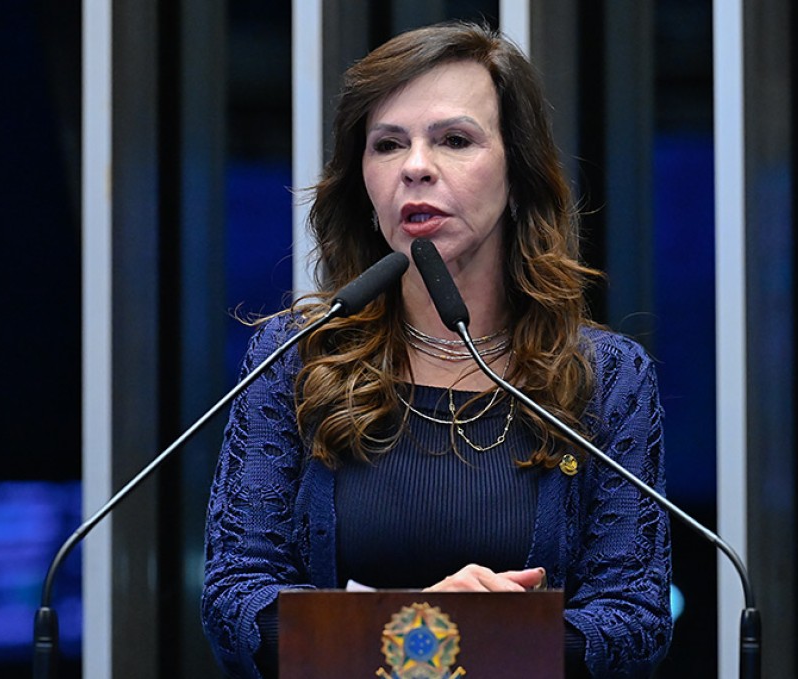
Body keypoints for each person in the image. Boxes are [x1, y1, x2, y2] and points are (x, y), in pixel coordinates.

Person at [202, 21, 672, 679]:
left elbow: (635, 618)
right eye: (388, 144)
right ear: (363, 180)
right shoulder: (296, 356)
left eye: (454, 140)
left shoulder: (605, 376)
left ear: (518, 171)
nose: (415, 166)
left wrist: (477, 635)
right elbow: (235, 600)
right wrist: (433, 626)